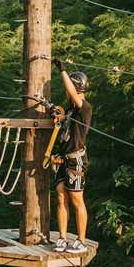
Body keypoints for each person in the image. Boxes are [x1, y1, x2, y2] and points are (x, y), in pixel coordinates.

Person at [52, 59, 92, 253]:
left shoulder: (84, 108)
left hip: (76, 160)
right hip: (64, 158)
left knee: (77, 200)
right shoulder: (71, 110)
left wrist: (63, 71)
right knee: (61, 196)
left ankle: (81, 241)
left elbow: (74, 95)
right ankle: (62, 238)